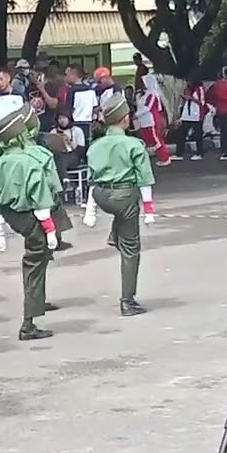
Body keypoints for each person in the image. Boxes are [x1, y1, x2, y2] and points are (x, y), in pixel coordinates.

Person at [0, 106, 69, 340]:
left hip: (12, 216)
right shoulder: (33, 160)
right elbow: (46, 194)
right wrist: (52, 230)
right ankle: (28, 323)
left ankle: (37, 304)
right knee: (34, 263)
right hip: (35, 216)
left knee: (37, 260)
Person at [81, 94, 155, 317]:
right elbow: (144, 179)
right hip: (124, 194)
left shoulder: (94, 146)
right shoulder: (134, 144)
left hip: (102, 195)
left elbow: (91, 179)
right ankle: (127, 300)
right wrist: (149, 210)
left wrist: (90, 209)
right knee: (131, 248)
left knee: (121, 213)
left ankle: (116, 236)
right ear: (125, 119)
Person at [172, 79, 206, 161]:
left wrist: (190, 98)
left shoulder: (199, 89)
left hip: (196, 115)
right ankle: (179, 153)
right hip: (187, 115)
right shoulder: (189, 89)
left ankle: (200, 153)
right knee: (181, 134)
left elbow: (201, 102)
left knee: (198, 135)